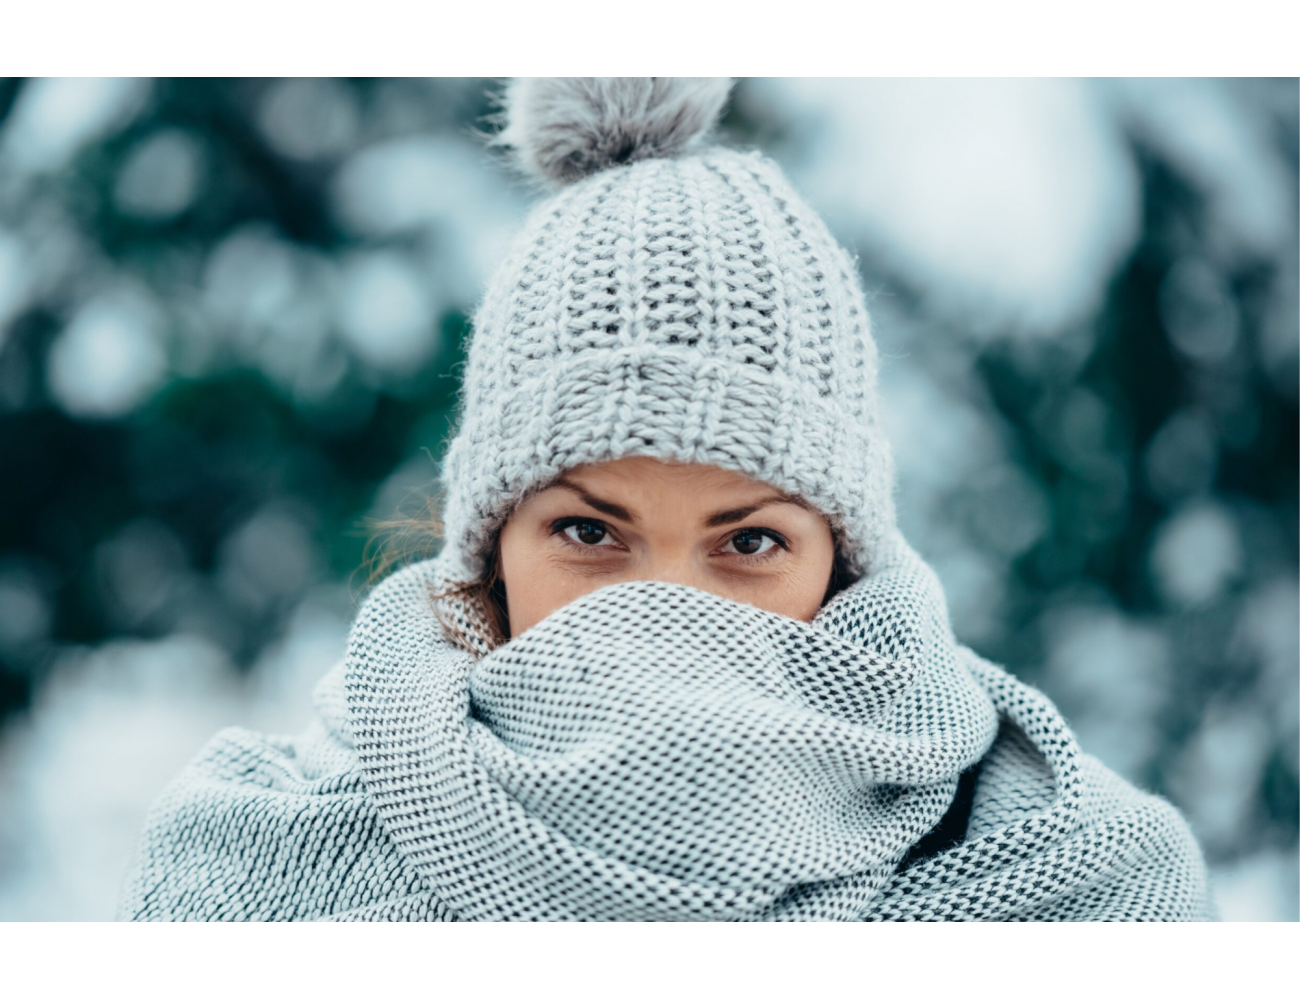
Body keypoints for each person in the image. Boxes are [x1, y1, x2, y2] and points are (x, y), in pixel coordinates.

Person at [118, 77, 1215, 921]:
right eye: (589, 531)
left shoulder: (1080, 882)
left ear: (843, 559)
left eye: (747, 541)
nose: (664, 609)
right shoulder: (252, 870)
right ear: (491, 548)